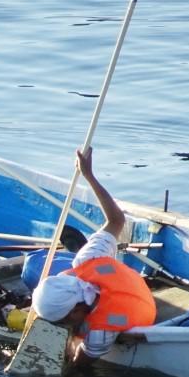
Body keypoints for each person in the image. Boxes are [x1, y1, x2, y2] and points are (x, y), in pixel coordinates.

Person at [31, 147, 156, 365]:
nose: (63, 327)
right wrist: (89, 175)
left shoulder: (100, 332)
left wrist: (69, 352)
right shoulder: (90, 259)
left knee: (32, 270)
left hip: (135, 310)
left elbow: (79, 366)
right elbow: (117, 220)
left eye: (63, 323)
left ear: (77, 311)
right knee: (72, 260)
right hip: (134, 291)